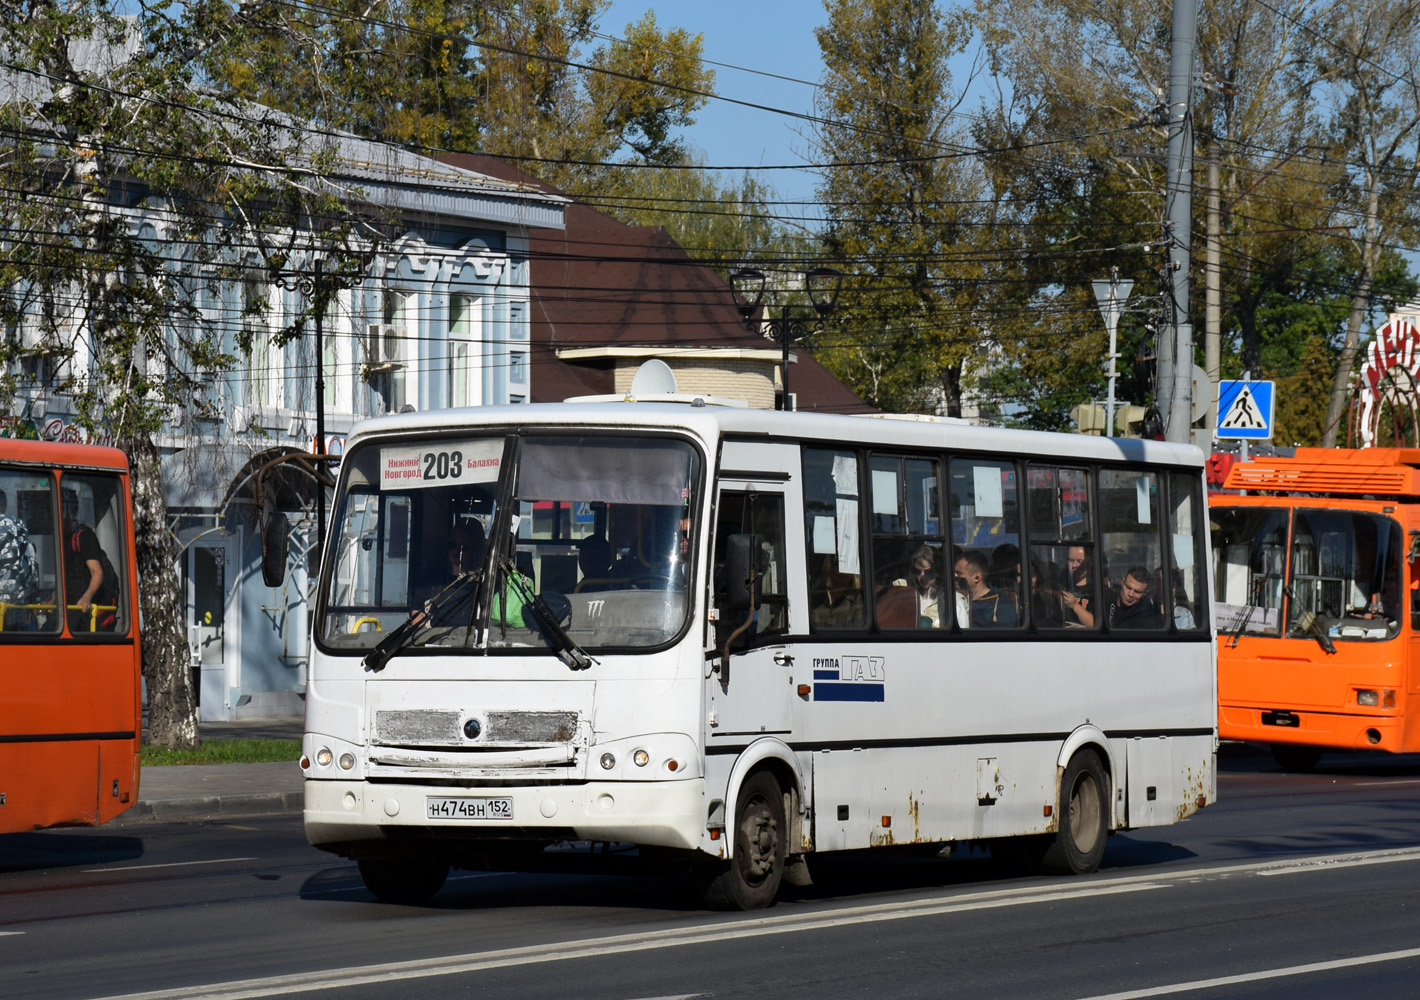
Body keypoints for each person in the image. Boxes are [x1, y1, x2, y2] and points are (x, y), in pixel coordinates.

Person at [62, 488, 118, 633]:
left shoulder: (83, 536)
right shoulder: (63, 539)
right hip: (68, 607)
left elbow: (97, 573)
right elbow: (66, 575)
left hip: (83, 611)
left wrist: (86, 598)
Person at [0, 488, 40, 628]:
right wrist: (32, 598)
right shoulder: (20, 527)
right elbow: (32, 566)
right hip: (20, 604)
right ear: (4, 505)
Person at [954, 550, 1017, 628]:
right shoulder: (954, 600)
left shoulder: (1000, 605)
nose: (954, 576)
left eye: (958, 573)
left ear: (977, 577)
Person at [1107, 565, 1160, 629]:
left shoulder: (1146, 618)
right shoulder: (1105, 600)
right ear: (1122, 582)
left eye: (1137, 592)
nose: (1131, 594)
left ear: (1145, 593)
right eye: (1128, 588)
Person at [1062, 544, 1096, 628]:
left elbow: (1094, 624)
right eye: (1071, 560)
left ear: (1089, 563)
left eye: (1080, 561)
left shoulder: (1096, 590)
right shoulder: (1062, 585)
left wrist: (1074, 605)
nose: (1074, 565)